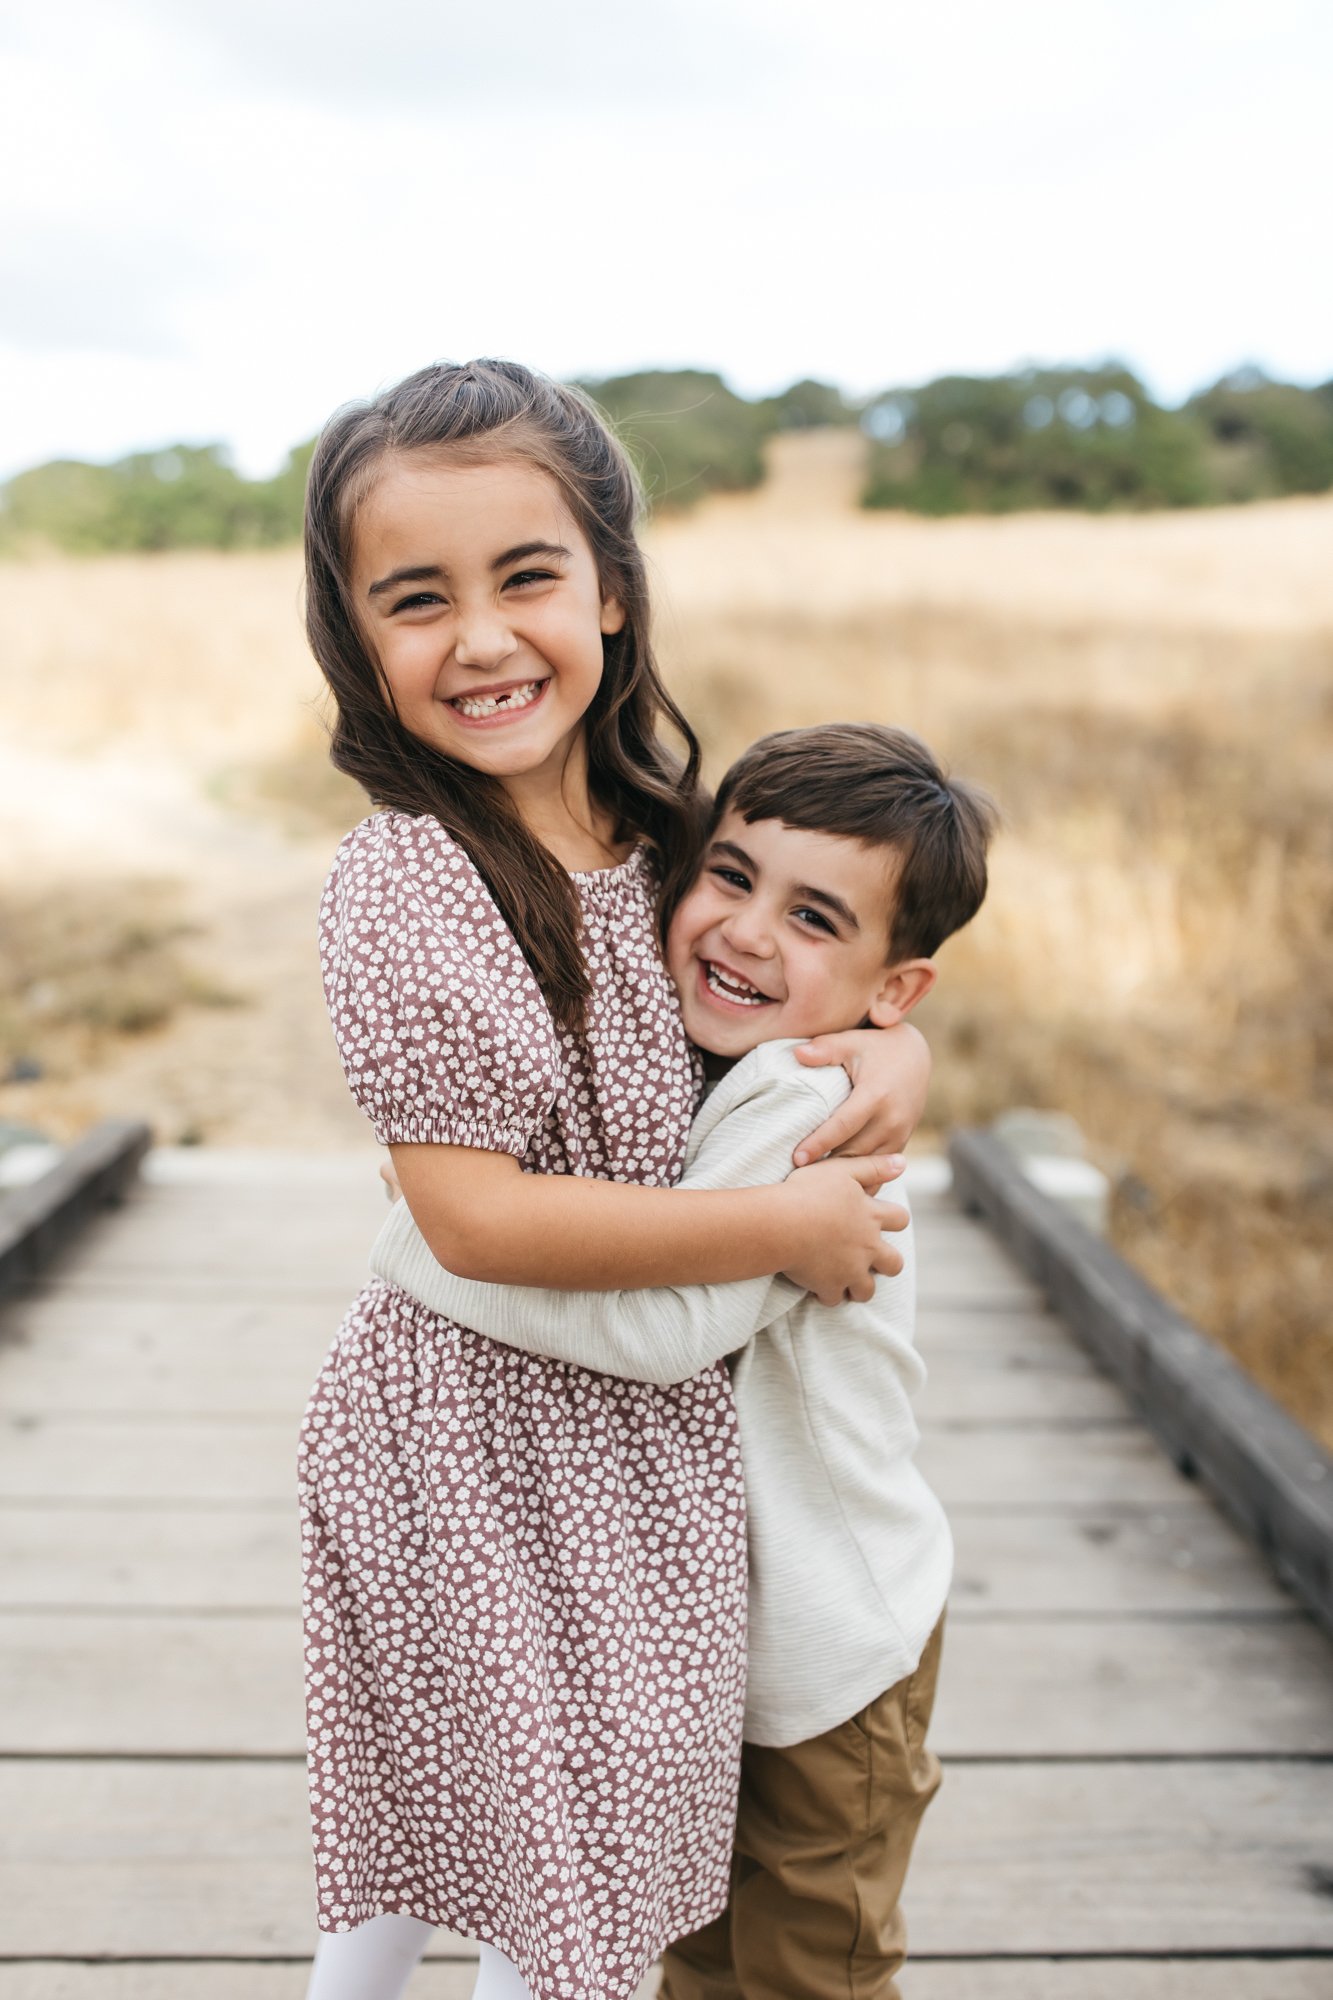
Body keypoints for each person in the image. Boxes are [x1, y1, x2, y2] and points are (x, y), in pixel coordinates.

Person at [298, 360, 933, 2000]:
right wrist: (776, 1223)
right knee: (456, 1828)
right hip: (458, 1433)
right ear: (356, 639)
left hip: (638, 1448)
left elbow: (785, 992)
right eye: (415, 598)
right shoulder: (407, 883)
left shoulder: (670, 842)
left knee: (576, 1857)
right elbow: (473, 1218)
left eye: (527, 576)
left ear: (613, 597)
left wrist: (891, 1055)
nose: (484, 636)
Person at [371, 721, 996, 2000]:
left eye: (815, 916)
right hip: (699, 1646)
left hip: (827, 1656)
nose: (750, 931)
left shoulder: (805, 1108)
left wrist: (434, 1239)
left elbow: (662, 1329)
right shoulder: (694, 1044)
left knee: (807, 1968)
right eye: (729, 874)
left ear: (896, 987)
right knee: (694, 1959)